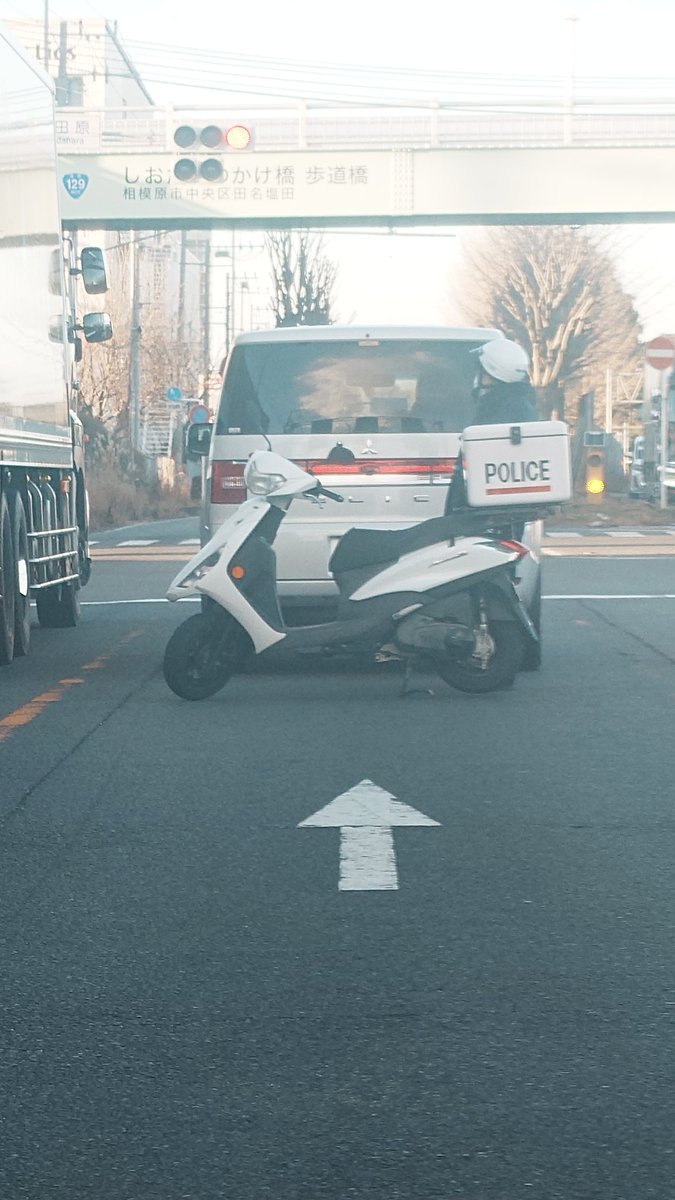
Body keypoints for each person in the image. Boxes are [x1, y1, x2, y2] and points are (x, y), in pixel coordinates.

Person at [446, 339, 538, 511]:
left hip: (487, 516)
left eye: (481, 373)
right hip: (501, 513)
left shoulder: (497, 410)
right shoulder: (520, 406)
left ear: (490, 375)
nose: (476, 379)